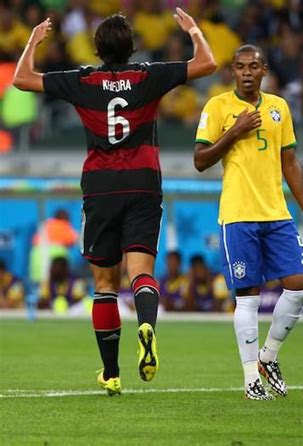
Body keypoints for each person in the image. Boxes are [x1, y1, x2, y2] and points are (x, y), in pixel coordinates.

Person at [13, 9, 216, 396]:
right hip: (142, 182)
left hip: (101, 186)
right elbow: (206, 63)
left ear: (97, 49)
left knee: (105, 284)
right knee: (140, 273)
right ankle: (147, 326)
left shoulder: (82, 80)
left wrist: (33, 41)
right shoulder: (149, 75)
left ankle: (111, 373)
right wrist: (192, 29)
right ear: (132, 48)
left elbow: (22, 79)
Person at [194, 44, 303, 400]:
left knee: (299, 287)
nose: (247, 72)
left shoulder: (279, 107)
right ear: (232, 70)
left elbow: (290, 163)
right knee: (247, 298)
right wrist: (236, 130)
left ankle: (269, 356)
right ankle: (251, 379)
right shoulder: (218, 107)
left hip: (277, 213)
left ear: (264, 70)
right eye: (240, 67)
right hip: (237, 215)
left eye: (253, 66)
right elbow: (200, 160)